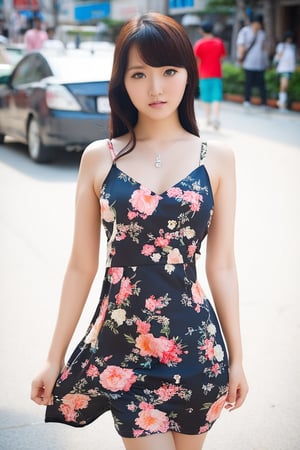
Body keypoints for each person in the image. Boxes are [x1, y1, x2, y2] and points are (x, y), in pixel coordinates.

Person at [31, 12, 248, 450]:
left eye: (169, 71)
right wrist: (52, 358)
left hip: (196, 348)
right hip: (124, 351)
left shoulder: (217, 158)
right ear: (122, 82)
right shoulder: (100, 157)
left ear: (189, 75)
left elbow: (222, 266)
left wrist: (238, 360)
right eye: (139, 74)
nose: (155, 87)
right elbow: (80, 266)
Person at [193, 21, 226, 130]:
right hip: (217, 74)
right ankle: (216, 118)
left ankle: (207, 119)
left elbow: (196, 60)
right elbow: (222, 58)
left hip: (204, 75)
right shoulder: (219, 42)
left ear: (202, 30)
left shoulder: (199, 44)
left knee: (206, 98)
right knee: (217, 97)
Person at [236, 14, 268, 108]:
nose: (258, 26)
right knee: (248, 82)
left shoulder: (262, 33)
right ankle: (247, 100)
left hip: (260, 63)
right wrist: (240, 58)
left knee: (261, 83)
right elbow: (240, 45)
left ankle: (263, 103)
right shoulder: (245, 31)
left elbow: (263, 47)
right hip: (249, 62)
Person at [273, 30, 296, 110]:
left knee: (286, 86)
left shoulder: (293, 47)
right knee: (284, 85)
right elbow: (278, 56)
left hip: (289, 69)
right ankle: (281, 101)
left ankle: (282, 101)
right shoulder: (281, 46)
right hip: (283, 68)